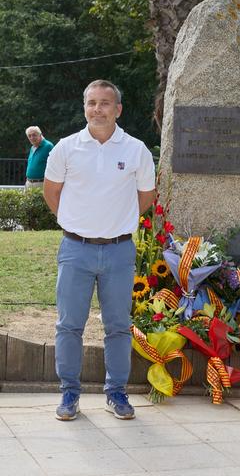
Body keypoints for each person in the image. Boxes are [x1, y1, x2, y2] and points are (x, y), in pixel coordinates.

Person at [43, 80, 155, 421]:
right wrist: (77, 222)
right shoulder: (65, 148)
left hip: (119, 252)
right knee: (69, 325)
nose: (97, 109)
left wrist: (115, 222)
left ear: (117, 109)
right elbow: (52, 192)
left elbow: (146, 198)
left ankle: (116, 393)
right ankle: (69, 395)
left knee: (118, 326)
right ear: (85, 107)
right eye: (91, 102)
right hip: (75, 250)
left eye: (105, 103)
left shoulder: (136, 150)